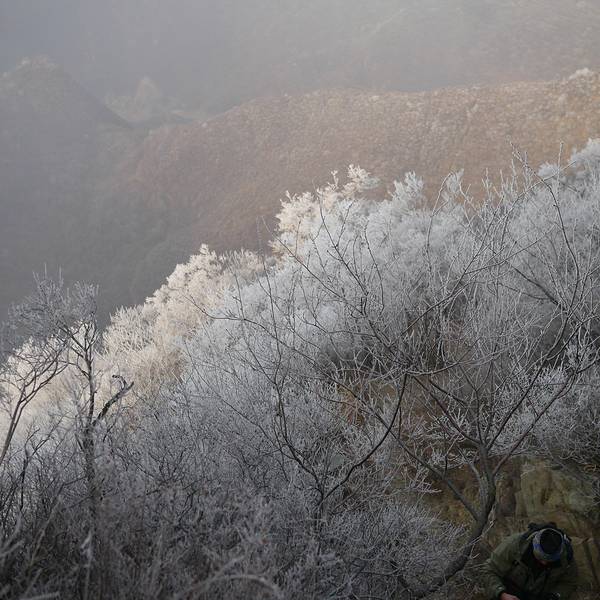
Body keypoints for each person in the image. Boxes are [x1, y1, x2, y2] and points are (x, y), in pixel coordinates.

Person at [481, 523, 578, 600]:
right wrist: (501, 593)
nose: (544, 563)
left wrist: (554, 596)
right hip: (507, 592)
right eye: (541, 558)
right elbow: (488, 570)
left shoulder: (566, 559)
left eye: (550, 561)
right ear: (534, 547)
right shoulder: (515, 545)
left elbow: (569, 583)